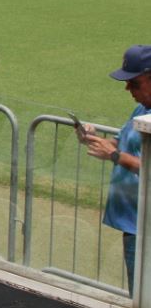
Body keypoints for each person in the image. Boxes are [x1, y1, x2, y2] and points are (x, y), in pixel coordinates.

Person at [80, 45, 151, 292]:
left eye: (134, 83)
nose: (128, 89)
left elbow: (126, 156)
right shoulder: (142, 109)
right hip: (134, 223)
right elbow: (121, 145)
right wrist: (94, 139)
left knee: (143, 295)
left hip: (145, 227)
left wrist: (115, 156)